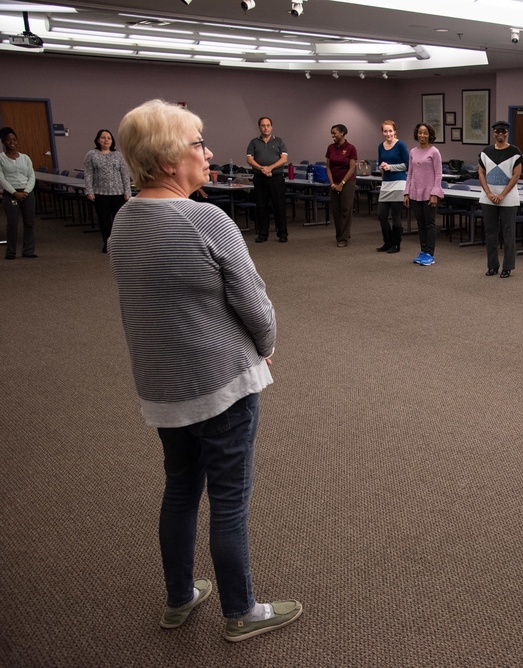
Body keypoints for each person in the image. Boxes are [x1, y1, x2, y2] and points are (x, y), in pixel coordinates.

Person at [110, 99, 302, 642]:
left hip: (164, 386)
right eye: (198, 144)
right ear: (170, 161)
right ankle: (242, 611)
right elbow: (255, 305)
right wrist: (265, 347)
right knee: (229, 501)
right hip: (222, 384)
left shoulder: (123, 220)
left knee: (179, 489)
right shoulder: (205, 218)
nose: (209, 152)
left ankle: (180, 597)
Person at [478, 120, 522, 278]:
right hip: (488, 196)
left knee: (508, 232)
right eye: (498, 131)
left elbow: (516, 175)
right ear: (494, 133)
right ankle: (492, 265)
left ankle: (507, 267)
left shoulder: (514, 151)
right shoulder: (486, 151)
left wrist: (502, 194)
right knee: (490, 233)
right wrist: (489, 193)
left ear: (507, 133)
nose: (500, 134)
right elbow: (481, 173)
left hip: (508, 197)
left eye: (503, 131)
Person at [84, 128, 132, 253]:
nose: (106, 140)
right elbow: (88, 174)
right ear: (98, 140)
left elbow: (125, 175)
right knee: (104, 221)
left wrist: (127, 192)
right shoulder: (91, 154)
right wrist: (89, 191)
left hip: (118, 194)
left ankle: (119, 244)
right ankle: (108, 244)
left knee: (118, 221)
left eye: (109, 138)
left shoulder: (118, 155)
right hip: (100, 194)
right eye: (103, 137)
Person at [404, 122, 444, 266]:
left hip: (429, 193)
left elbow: (439, 174)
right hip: (415, 193)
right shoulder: (413, 151)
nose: (422, 135)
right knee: (420, 224)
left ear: (430, 135)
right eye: (420, 132)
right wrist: (406, 192)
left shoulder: (434, 152)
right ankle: (423, 251)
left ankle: (430, 254)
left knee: (430, 224)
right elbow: (410, 173)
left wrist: (435, 193)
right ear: (417, 134)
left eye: (425, 133)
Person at [246, 116, 289, 243]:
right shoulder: (254, 142)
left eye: (268, 125)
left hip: (276, 178)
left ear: (271, 127)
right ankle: (263, 234)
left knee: (279, 206)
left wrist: (270, 168)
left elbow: (284, 159)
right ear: (259, 127)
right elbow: (249, 159)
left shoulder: (279, 141)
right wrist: (262, 168)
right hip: (260, 178)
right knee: (261, 206)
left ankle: (282, 234)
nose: (266, 128)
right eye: (263, 125)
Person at [1, 127, 37, 260]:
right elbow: (1, 178)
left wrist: (26, 191)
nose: (12, 142)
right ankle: (10, 252)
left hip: (27, 193)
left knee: (29, 222)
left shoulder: (25, 158)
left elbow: (31, 176)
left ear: (18, 142)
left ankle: (28, 250)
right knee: (12, 223)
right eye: (8, 140)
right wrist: (14, 192)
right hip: (11, 194)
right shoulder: (1, 158)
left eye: (14, 140)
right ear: (4, 142)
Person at [376, 120, 408, 254]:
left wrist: (391, 167)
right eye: (385, 131)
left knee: (395, 215)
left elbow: (407, 164)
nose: (388, 134)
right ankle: (387, 241)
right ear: (382, 132)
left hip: (399, 183)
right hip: (386, 184)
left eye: (390, 131)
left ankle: (396, 243)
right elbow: (380, 163)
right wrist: (381, 166)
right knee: (381, 215)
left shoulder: (400, 145)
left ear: (395, 131)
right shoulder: (381, 146)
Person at [326, 124, 357, 247]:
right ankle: (339, 235)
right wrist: (332, 183)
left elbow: (352, 168)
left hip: (348, 182)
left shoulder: (351, 148)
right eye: (332, 133)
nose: (333, 136)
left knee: (346, 209)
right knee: (336, 210)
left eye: (335, 133)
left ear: (342, 133)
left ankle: (343, 238)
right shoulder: (330, 148)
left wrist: (342, 183)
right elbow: (328, 166)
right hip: (334, 181)